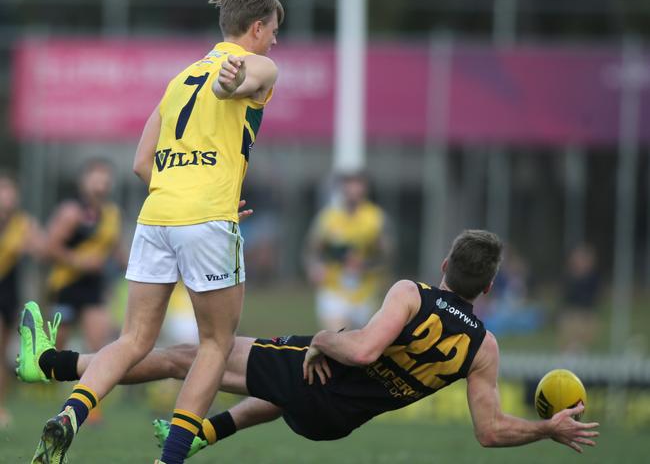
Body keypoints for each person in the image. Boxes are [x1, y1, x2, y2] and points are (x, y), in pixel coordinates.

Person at [19, 230, 599, 459]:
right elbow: (490, 430)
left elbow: (367, 349)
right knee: (272, 378)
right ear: (490, 288)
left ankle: (51, 363)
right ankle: (207, 433)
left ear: (445, 265)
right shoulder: (485, 347)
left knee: (192, 356)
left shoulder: (410, 293)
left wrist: (325, 338)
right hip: (336, 420)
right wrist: (547, 428)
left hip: (321, 375)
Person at [27, 0, 283, 463]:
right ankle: (171, 457)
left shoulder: (179, 80)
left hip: (157, 214)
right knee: (215, 343)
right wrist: (232, 85)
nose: (274, 42)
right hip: (206, 218)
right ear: (255, 28)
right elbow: (246, 79)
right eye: (272, 31)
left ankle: (70, 415)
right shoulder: (259, 64)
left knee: (134, 339)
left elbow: (142, 164)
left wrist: (185, 188)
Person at [43, 158, 125, 353]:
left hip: (94, 286)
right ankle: (47, 383)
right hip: (66, 285)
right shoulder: (71, 212)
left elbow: (117, 250)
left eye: (105, 179)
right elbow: (49, 247)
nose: (100, 184)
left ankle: (91, 383)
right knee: (55, 349)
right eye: (95, 178)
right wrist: (79, 261)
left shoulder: (112, 214)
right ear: (83, 181)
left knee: (100, 347)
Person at [305, 172, 392, 330]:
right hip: (334, 289)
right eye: (349, 187)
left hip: (364, 292)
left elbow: (386, 256)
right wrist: (315, 266)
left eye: (357, 187)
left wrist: (364, 265)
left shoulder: (375, 219)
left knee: (360, 348)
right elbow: (313, 250)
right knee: (337, 336)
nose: (353, 192)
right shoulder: (328, 218)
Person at [0, 172, 43, 427]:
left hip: (9, 291)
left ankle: (1, 406)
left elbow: (43, 249)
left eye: (9, 191)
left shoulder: (22, 223)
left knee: (2, 351)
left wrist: (33, 244)